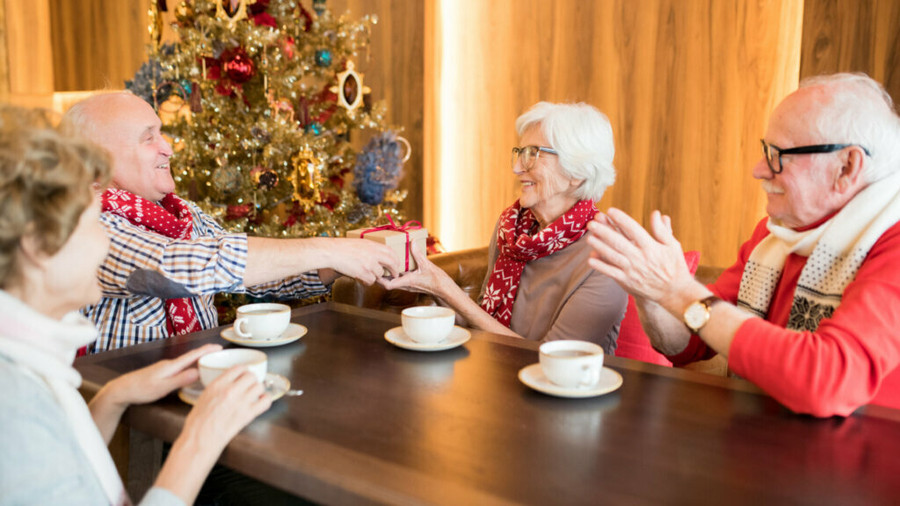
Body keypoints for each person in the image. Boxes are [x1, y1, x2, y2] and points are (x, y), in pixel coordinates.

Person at [586, 73, 900, 417]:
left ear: (847, 166)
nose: (759, 170)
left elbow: (828, 381)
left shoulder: (892, 245)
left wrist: (677, 290)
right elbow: (691, 342)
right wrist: (652, 294)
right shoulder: (774, 236)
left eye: (778, 154)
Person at [0, 106, 270, 505]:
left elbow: (68, 466)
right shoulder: (15, 404)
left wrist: (112, 397)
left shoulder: (30, 365)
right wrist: (200, 439)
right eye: (93, 224)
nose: (105, 243)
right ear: (38, 246)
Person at [62, 92, 402, 353]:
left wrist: (339, 264)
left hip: (193, 383)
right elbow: (180, 269)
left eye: (161, 134)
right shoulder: (85, 223)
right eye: (148, 137)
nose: (168, 148)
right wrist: (327, 249)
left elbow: (256, 279)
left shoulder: (178, 213)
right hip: (128, 419)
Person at [383, 102, 627, 352]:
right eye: (520, 153)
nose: (517, 168)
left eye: (533, 154)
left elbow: (551, 361)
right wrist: (432, 287)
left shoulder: (607, 257)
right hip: (493, 372)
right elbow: (482, 324)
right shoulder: (512, 229)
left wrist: (445, 287)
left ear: (577, 173)